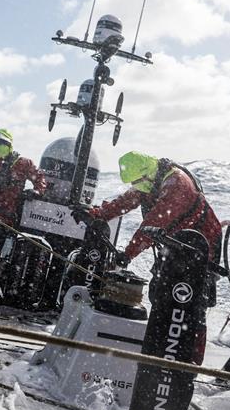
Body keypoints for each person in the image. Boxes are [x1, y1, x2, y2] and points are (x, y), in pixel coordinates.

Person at [78, 150, 221, 363]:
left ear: (146, 173)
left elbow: (154, 223)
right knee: (160, 293)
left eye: (138, 182)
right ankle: (159, 347)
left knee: (190, 303)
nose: (137, 187)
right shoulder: (150, 181)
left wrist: (127, 254)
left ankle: (189, 361)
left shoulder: (177, 184)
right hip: (174, 246)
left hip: (200, 247)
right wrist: (94, 214)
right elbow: (124, 203)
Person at [0, 129, 47, 290]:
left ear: (10, 146)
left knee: (2, 256)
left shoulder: (23, 163)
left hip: (10, 222)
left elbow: (40, 178)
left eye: (2, 145)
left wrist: (36, 192)